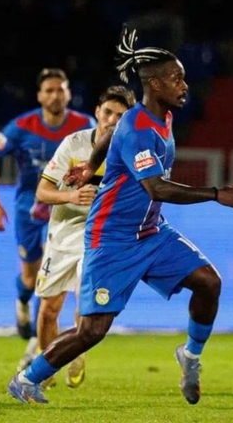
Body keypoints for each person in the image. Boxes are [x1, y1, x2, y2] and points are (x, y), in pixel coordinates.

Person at [7, 27, 233, 405]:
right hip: (112, 239)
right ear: (154, 84)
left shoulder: (156, 117)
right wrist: (215, 194)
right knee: (92, 330)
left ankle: (190, 357)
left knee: (208, 282)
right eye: (176, 78)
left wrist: (90, 165)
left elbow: (109, 135)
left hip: (152, 232)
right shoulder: (140, 129)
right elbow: (157, 188)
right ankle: (27, 379)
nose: (185, 85)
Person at [0, 68, 96, 369]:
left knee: (52, 275)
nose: (55, 95)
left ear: (69, 94)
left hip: (68, 212)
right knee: (30, 278)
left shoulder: (86, 126)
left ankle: (36, 342)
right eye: (49, 90)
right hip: (30, 211)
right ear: (40, 96)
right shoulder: (21, 126)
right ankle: (21, 300)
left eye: (60, 89)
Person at [33, 86, 136, 389]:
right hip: (63, 233)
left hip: (99, 237)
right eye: (108, 113)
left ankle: (75, 352)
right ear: (97, 112)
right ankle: (46, 367)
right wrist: (71, 196)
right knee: (49, 309)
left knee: (85, 304)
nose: (112, 120)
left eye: (120, 116)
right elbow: (42, 192)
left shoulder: (132, 153)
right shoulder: (74, 144)